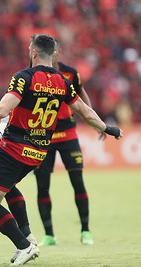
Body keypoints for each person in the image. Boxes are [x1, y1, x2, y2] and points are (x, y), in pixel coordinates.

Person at [0, 34, 123, 266]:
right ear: (53, 53)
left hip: (14, 148)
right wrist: (109, 128)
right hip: (38, 152)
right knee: (7, 188)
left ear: (33, 52)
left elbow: (1, 110)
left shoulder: (24, 77)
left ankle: (24, 246)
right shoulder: (63, 82)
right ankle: (27, 236)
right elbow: (85, 112)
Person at [34, 38, 96, 246]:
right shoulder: (32, 74)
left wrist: (93, 119)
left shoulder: (70, 73)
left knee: (77, 181)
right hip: (43, 136)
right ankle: (49, 235)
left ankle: (86, 231)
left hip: (68, 134)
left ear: (57, 52)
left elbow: (80, 93)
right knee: (42, 186)